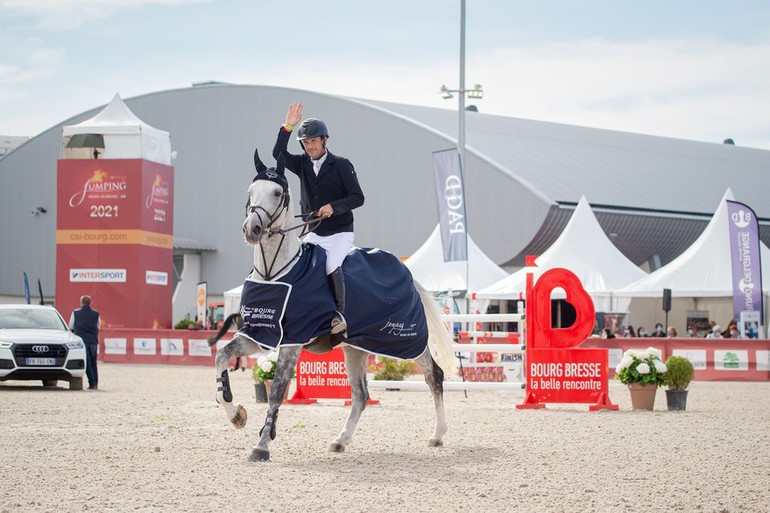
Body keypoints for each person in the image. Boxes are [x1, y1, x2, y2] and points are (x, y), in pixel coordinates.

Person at [273, 101, 365, 343]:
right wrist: (287, 127)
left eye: (313, 141)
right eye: (305, 142)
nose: (309, 146)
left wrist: (333, 207)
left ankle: (339, 316)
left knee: (330, 263)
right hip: (313, 231)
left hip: (339, 232)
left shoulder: (342, 165)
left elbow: (358, 197)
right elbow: (278, 154)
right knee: (298, 264)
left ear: (325, 140)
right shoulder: (302, 163)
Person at [69, 295, 101, 389]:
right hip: (93, 341)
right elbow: (98, 326)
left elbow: (71, 326)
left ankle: (92, 382)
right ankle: (95, 382)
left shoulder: (75, 313)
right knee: (93, 362)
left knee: (87, 362)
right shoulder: (96, 314)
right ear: (90, 303)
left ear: (81, 302)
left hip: (82, 341)